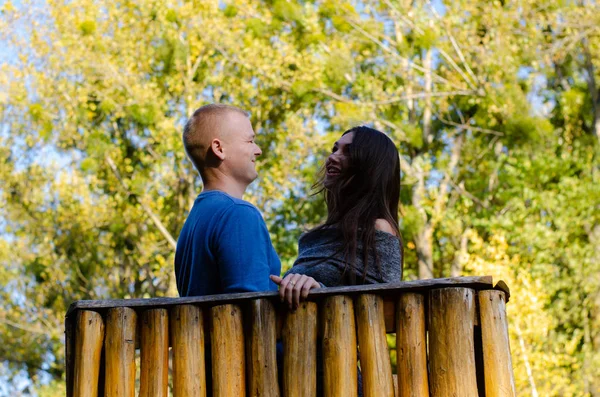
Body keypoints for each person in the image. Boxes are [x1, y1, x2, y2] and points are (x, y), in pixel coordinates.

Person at [271, 125, 403, 308]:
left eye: (347, 152)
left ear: (370, 166)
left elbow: (381, 307)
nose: (332, 157)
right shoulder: (315, 238)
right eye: (335, 149)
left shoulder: (378, 228)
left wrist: (319, 290)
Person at [175, 104, 281, 296]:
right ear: (219, 148)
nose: (258, 150)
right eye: (250, 141)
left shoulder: (196, 219)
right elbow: (252, 311)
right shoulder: (238, 214)